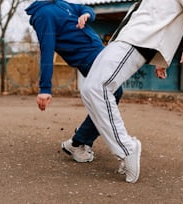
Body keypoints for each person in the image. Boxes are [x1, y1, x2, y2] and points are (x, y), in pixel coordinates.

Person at [80, 0, 183, 183]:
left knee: (98, 88)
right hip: (123, 40)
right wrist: (160, 60)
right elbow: (148, 15)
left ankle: (127, 149)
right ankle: (124, 149)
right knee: (88, 89)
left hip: (136, 41)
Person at [25, 0, 123, 163]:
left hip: (99, 54)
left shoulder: (61, 4)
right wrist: (45, 88)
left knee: (109, 95)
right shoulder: (44, 15)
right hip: (87, 59)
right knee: (111, 94)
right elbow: (47, 51)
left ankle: (81, 138)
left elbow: (85, 8)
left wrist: (86, 15)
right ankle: (79, 141)